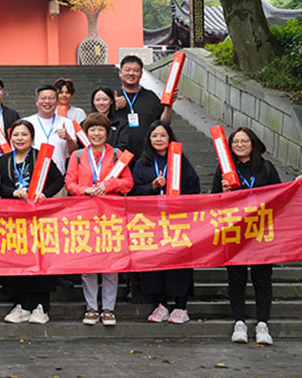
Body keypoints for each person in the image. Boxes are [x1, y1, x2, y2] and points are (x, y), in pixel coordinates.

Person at [211, 127, 282, 345]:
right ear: (230, 146)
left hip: (261, 233)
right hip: (235, 232)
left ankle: (263, 324)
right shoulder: (224, 170)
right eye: (236, 142)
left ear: (253, 143)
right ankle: (239, 322)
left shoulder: (266, 168)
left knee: (262, 279)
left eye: (244, 141)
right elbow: (212, 201)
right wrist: (223, 193)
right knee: (236, 278)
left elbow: (281, 195)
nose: (240, 145)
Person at [65, 113, 133, 326]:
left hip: (111, 216)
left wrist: (110, 185)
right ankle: (92, 307)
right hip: (85, 215)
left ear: (107, 132)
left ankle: (108, 308)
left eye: (100, 129)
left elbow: (128, 183)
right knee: (88, 263)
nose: (96, 133)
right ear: (86, 133)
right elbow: (69, 182)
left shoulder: (117, 155)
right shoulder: (77, 156)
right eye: (92, 129)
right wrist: (83, 190)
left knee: (111, 263)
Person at [131, 121, 201, 324]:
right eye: (155, 136)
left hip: (177, 222)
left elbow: (194, 187)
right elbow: (133, 192)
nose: (159, 139)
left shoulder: (180, 161)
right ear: (149, 139)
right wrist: (152, 186)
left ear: (170, 138)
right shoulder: (142, 164)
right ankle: (160, 304)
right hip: (152, 223)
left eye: (163, 135)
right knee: (154, 263)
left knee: (180, 263)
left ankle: (181, 306)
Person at [0, 119, 64, 325]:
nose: (20, 138)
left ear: (32, 137)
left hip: (38, 219)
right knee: (17, 260)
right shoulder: (4, 160)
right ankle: (21, 305)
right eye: (16, 135)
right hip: (13, 220)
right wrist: (12, 192)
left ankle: (41, 306)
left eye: (24, 134)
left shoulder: (42, 158)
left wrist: (45, 194)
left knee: (39, 259)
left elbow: (58, 180)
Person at [113, 55, 174, 162]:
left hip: (146, 155)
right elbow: (98, 121)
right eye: (127, 70)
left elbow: (164, 123)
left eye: (135, 70)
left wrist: (169, 106)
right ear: (120, 73)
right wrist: (113, 106)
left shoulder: (151, 97)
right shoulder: (112, 97)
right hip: (118, 155)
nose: (131, 73)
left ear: (141, 74)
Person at [26, 85, 78, 175]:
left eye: (51, 98)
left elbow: (74, 151)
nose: (47, 101)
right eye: (43, 98)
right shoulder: (27, 122)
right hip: (33, 175)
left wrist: (68, 138)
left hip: (59, 175)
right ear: (37, 101)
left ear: (57, 101)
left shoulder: (67, 122)